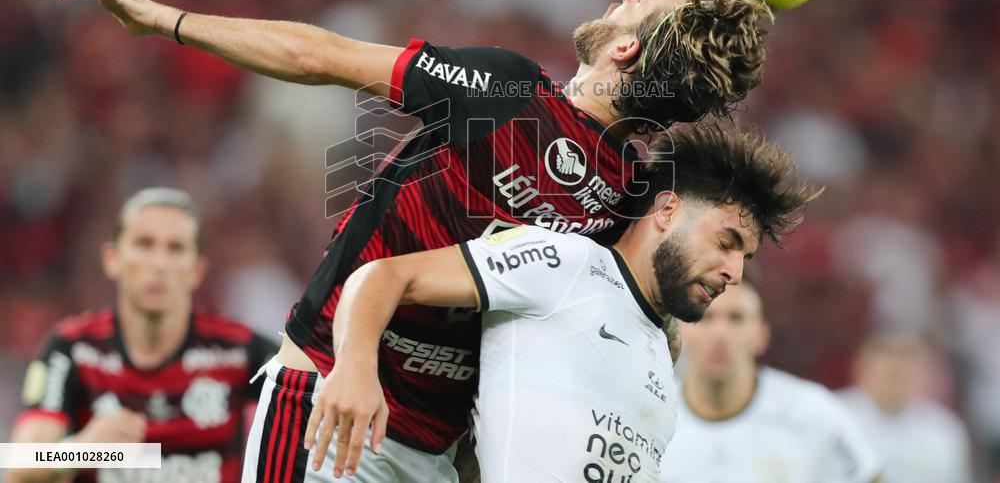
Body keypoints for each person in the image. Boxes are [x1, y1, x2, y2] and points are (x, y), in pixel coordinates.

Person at [57, 0, 772, 483]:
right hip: (336, 400)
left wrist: (161, 19)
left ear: (625, 50)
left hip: (426, 445)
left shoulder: (510, 90)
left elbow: (319, 56)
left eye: (638, 2)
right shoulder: (633, 201)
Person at [304, 125, 817, 481]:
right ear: (666, 210)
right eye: (726, 242)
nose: (736, 272)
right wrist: (354, 367)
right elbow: (382, 275)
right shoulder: (562, 262)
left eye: (745, 256)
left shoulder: (666, 347)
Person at [8, 188, 278, 483]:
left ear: (197, 270)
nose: (159, 264)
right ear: (112, 258)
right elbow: (20, 466)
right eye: (144, 244)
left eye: (175, 248)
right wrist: (84, 450)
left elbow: (312, 405)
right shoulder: (73, 348)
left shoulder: (238, 350)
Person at [660, 280, 882, 483]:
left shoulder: (814, 413)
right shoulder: (651, 414)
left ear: (761, 335)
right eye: (705, 318)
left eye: (736, 318)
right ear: (682, 331)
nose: (720, 333)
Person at [839, 333, 974, 483]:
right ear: (861, 367)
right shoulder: (834, 417)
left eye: (907, 357)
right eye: (885, 355)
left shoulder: (945, 431)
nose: (896, 365)